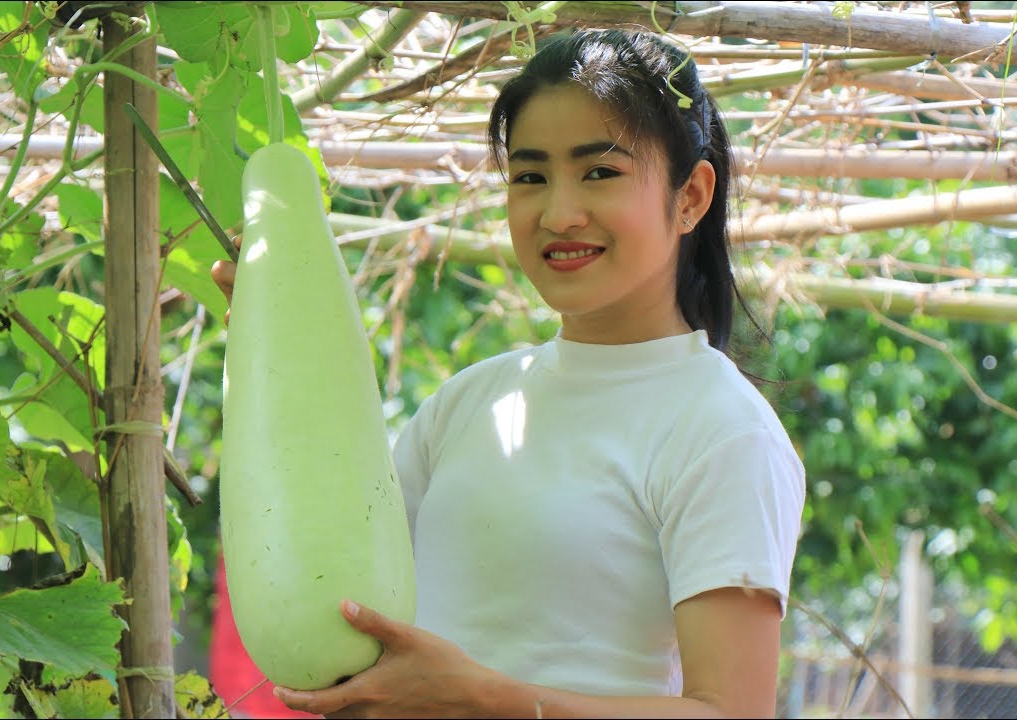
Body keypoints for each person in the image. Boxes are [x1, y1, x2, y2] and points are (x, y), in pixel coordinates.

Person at [211, 28, 805, 719]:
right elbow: (342, 596)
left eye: (600, 172)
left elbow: (732, 712)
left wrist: (482, 699)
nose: (558, 213)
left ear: (691, 197)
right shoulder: (469, 404)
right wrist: (279, 362)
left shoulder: (721, 429)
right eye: (530, 177)